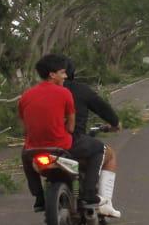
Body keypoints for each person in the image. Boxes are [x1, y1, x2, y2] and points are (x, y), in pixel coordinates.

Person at [18, 53, 105, 213]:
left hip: (33, 149)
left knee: (25, 154)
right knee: (99, 148)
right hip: (61, 146)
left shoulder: (26, 95)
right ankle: (89, 194)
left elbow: (25, 128)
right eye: (62, 73)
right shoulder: (64, 93)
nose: (65, 76)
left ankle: (38, 197)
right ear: (52, 75)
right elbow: (71, 128)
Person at [63, 59, 123, 218]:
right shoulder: (79, 90)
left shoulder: (38, 92)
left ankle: (40, 197)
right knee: (106, 152)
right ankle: (104, 202)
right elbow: (102, 107)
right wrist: (115, 123)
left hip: (41, 144)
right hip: (71, 141)